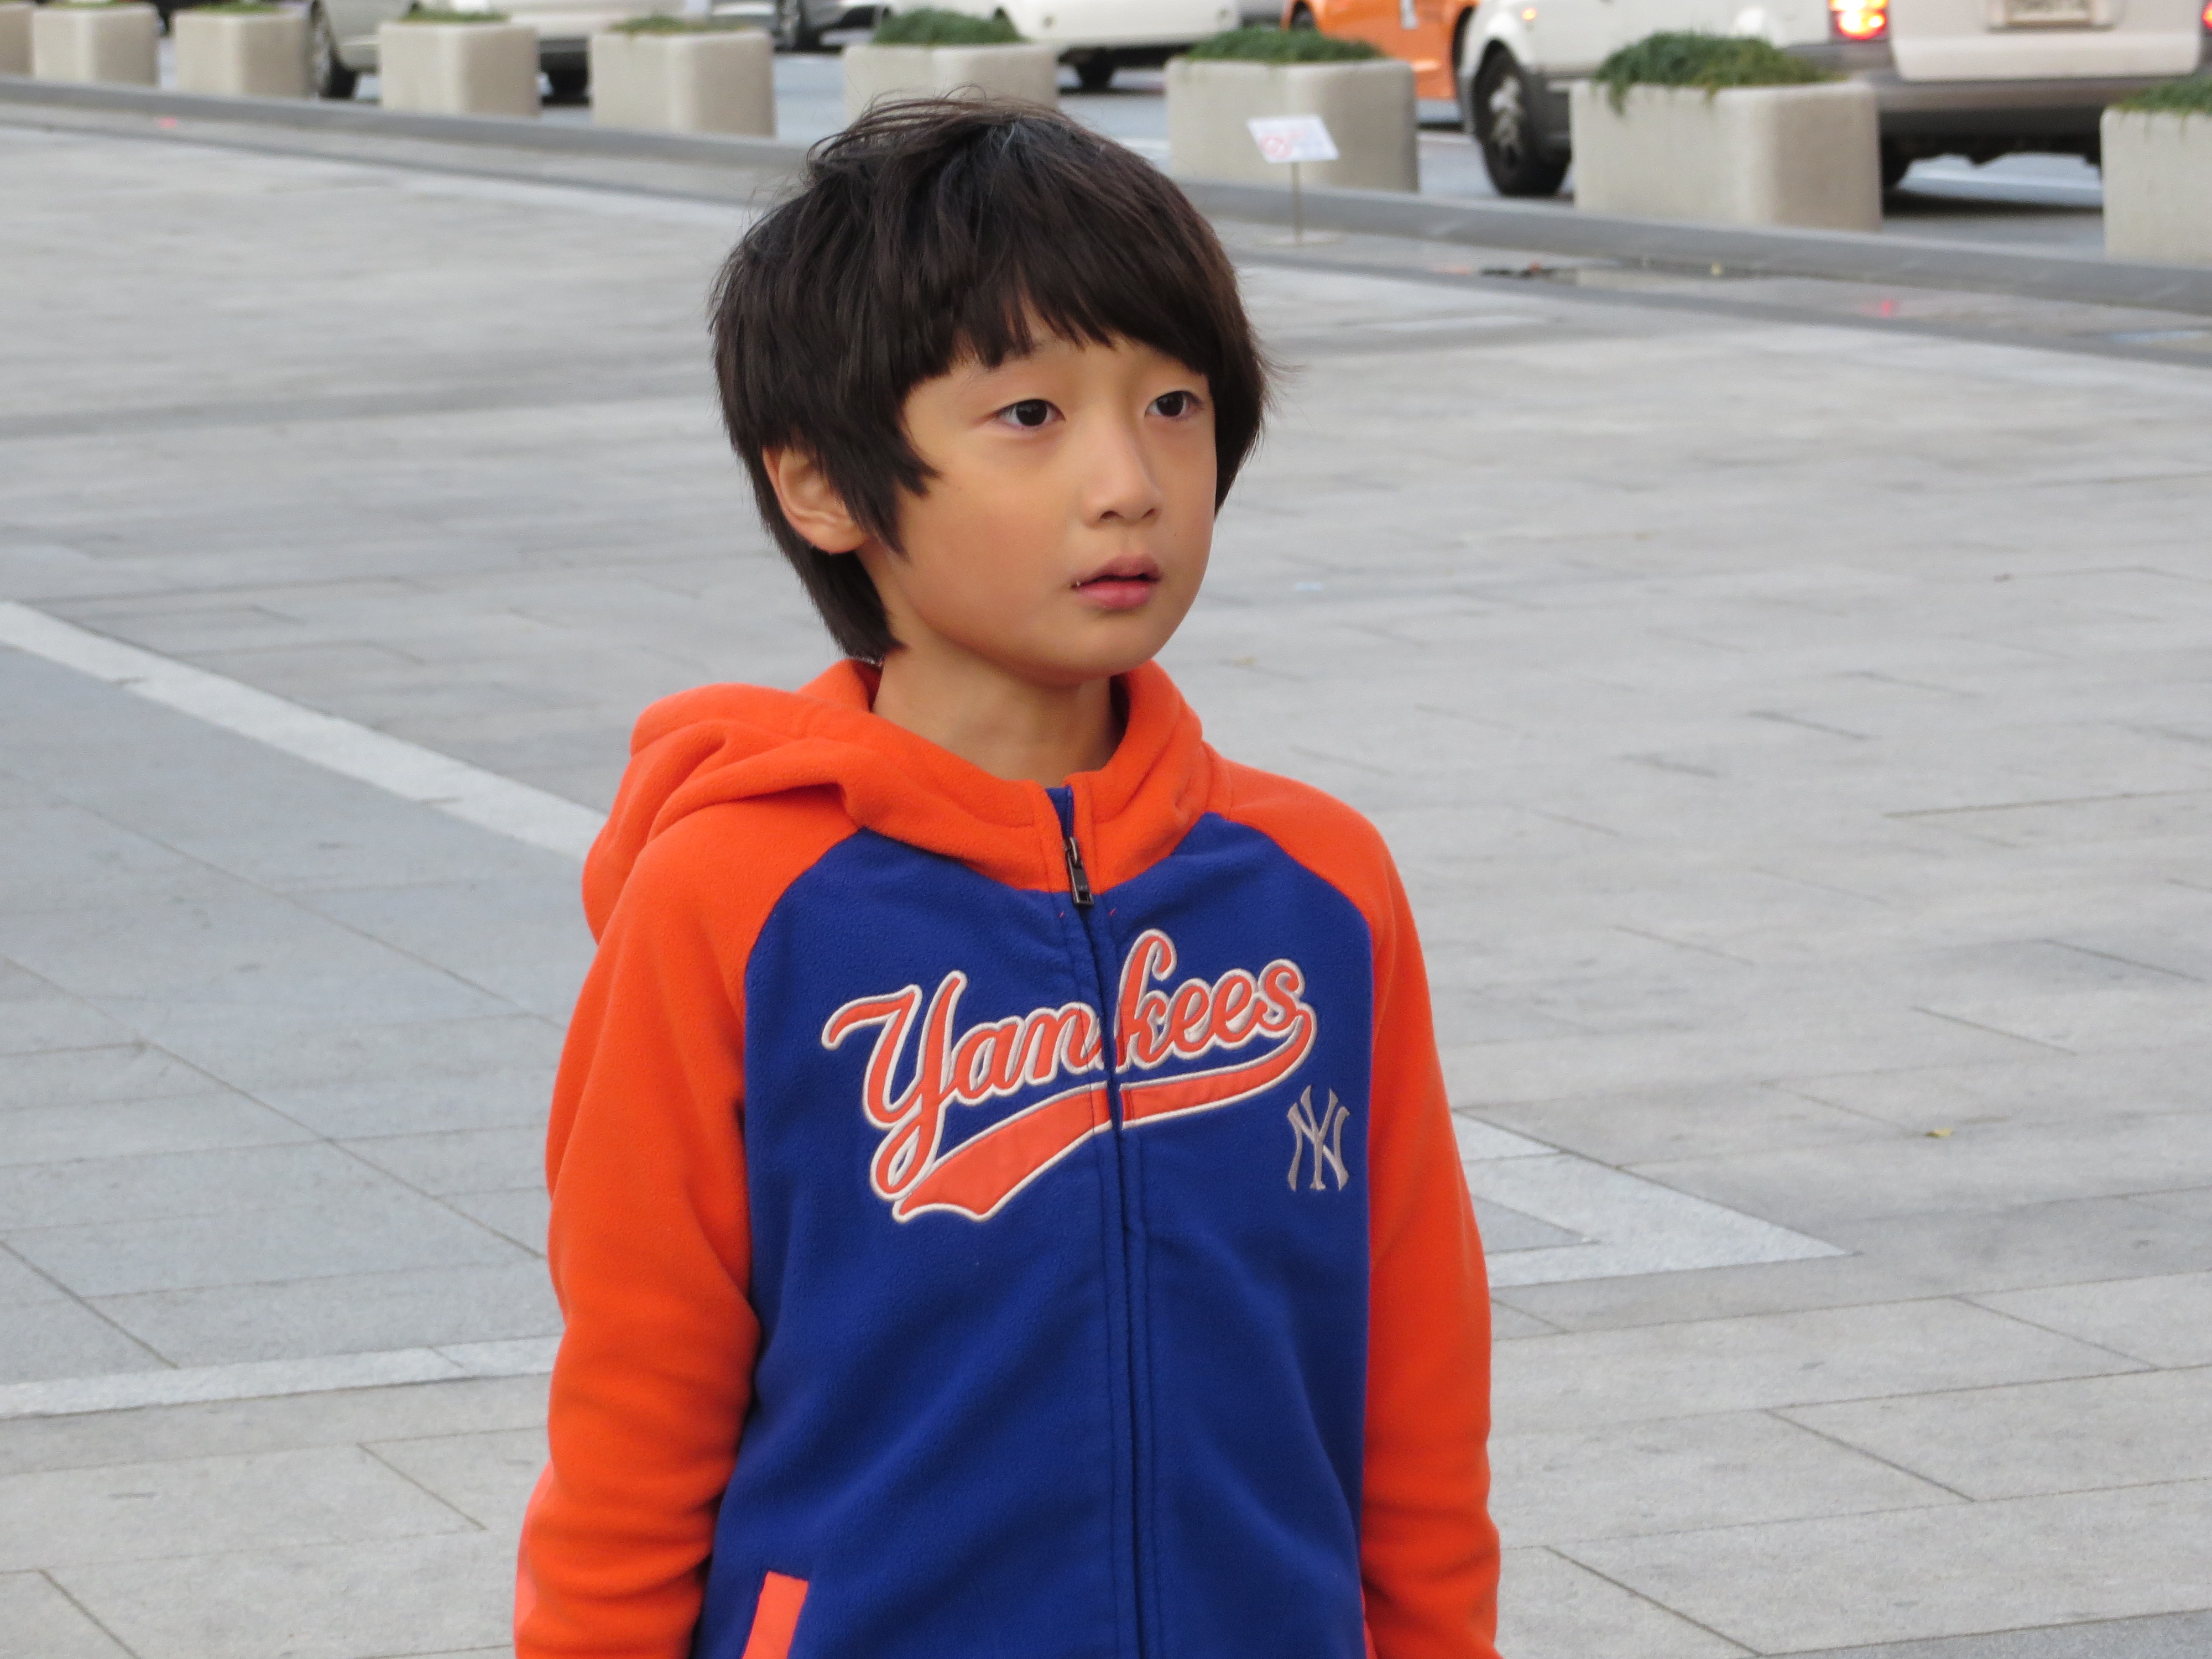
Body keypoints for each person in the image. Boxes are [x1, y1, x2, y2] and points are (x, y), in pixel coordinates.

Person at [514, 98, 1500, 1659]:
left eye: (1173, 404)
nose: (1129, 482)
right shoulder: (731, 903)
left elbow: (1417, 1378)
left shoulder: (1319, 888)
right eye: (1030, 414)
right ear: (823, 485)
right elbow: (635, 1410)